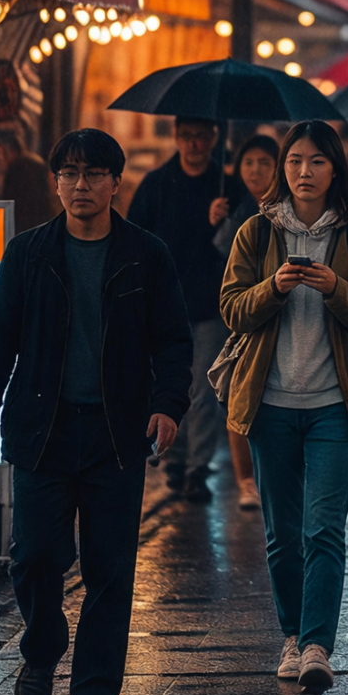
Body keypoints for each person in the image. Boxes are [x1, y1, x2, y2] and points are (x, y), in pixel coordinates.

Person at [0, 129, 192, 695]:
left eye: (93, 174)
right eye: (69, 173)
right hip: (41, 431)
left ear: (115, 182)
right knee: (35, 555)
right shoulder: (28, 253)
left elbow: (174, 340)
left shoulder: (144, 254)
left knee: (110, 566)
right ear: (55, 182)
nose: (80, 185)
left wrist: (168, 405)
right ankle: (43, 647)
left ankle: (96, 692)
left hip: (115, 433)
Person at [221, 121, 348, 695]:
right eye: (294, 161)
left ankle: (318, 645)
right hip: (269, 405)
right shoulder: (255, 232)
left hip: (333, 407)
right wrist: (273, 286)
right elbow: (232, 309)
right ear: (280, 169)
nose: (303, 172)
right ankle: (291, 635)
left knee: (324, 529)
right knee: (281, 533)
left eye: (317, 161)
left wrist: (332, 286)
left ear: (336, 170)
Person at [127, 116, 227, 502]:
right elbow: (137, 236)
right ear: (176, 137)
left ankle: (198, 468)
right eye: (187, 136)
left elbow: (241, 242)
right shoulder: (157, 183)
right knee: (169, 385)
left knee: (203, 391)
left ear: (214, 136)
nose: (195, 144)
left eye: (202, 136)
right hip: (164, 303)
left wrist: (223, 221)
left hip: (208, 303)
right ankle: (173, 457)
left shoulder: (224, 185)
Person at [213, 134, 282, 510]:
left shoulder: (288, 209)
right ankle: (245, 481)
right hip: (239, 316)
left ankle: (271, 475)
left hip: (279, 314)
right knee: (239, 398)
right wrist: (217, 222)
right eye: (248, 162)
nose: (255, 170)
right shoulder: (233, 207)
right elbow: (219, 261)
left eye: (264, 162)